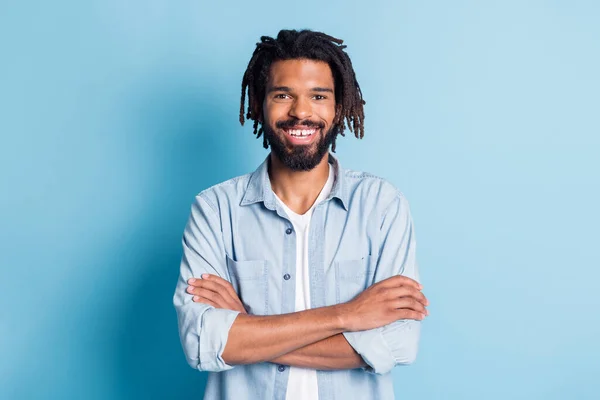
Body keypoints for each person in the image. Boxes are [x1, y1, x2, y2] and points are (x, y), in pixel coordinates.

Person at [173, 29, 429, 400]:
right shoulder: (215, 210)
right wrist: (347, 315)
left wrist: (247, 330)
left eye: (318, 96)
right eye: (283, 95)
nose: (301, 112)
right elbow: (202, 343)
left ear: (338, 107)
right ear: (260, 103)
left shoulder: (382, 206)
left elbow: (398, 344)